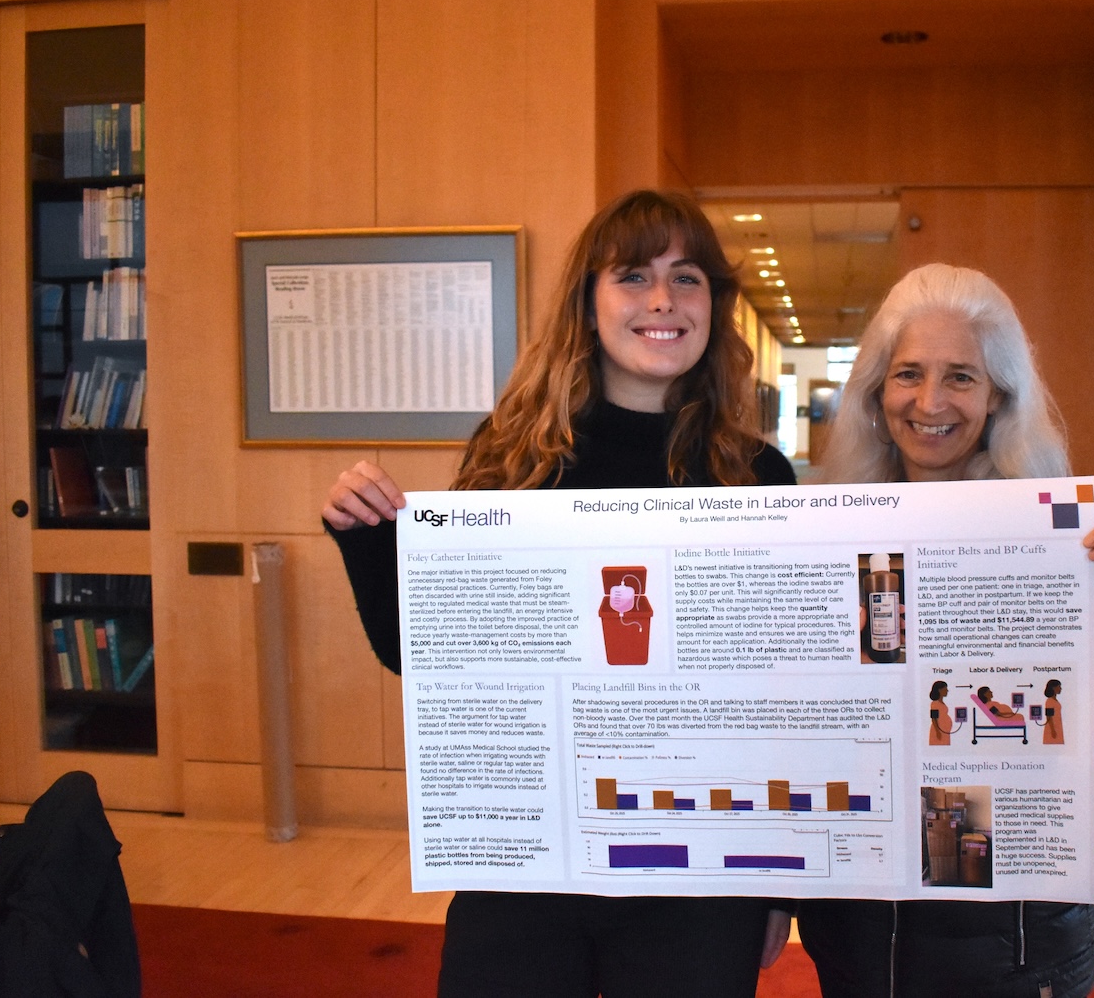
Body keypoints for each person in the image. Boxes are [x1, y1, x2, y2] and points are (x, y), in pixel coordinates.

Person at [322, 190, 797, 998]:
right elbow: (427, 656)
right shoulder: (513, 459)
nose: (661, 301)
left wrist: (780, 877)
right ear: (589, 300)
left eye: (688, 279)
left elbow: (781, 694)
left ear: (713, 304)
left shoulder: (757, 475)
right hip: (531, 860)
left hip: (695, 869)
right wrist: (367, 539)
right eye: (634, 276)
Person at [795, 263, 1094, 998]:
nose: (931, 401)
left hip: (1018, 949)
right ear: (878, 393)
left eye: (962, 377)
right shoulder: (822, 534)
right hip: (858, 943)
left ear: (999, 396)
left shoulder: (1059, 550)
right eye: (909, 373)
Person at [929, 680, 952, 746]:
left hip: (944, 730)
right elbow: (934, 718)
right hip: (939, 731)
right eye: (945, 689)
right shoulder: (935, 703)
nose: (947, 691)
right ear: (939, 690)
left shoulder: (941, 703)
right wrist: (937, 731)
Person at [1042, 679, 1065, 745]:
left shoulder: (1055, 700)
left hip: (1057, 725)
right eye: (1059, 686)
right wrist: (1052, 730)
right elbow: (1048, 717)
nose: (1060, 688)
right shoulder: (1049, 701)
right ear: (1054, 688)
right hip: (1052, 727)